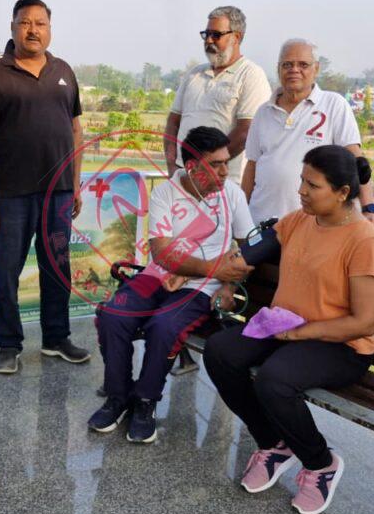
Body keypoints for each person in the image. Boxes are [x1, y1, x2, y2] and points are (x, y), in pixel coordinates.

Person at [203, 145, 374, 514]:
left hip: (342, 345)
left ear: (343, 192)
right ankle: (274, 444)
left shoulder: (364, 242)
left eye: (312, 185)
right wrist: (231, 271)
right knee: (221, 351)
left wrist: (298, 334)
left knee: (274, 380)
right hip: (286, 328)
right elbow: (255, 249)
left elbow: (365, 322)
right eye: (302, 181)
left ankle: (320, 464)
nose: (301, 191)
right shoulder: (300, 220)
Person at [90, 126, 253, 444]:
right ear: (191, 167)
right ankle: (118, 397)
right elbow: (162, 254)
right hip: (158, 275)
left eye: (226, 162)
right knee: (112, 316)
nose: (224, 171)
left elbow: (248, 247)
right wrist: (211, 267)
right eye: (215, 164)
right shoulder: (166, 192)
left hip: (203, 288)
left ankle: (145, 400)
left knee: (163, 326)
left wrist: (228, 286)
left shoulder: (232, 194)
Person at [0, 0, 91, 374]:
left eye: (40, 23)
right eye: (25, 23)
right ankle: (9, 345)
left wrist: (75, 184)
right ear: (13, 27)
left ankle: (56, 338)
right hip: (11, 196)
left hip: (58, 194)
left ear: (49, 29)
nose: (33, 30)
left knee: (57, 267)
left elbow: (75, 129)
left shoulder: (64, 71)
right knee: (8, 271)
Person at [242, 38, 374, 228]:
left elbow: (356, 161)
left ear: (316, 69)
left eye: (303, 64)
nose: (294, 70)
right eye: (287, 64)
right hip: (261, 223)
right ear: (278, 69)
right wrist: (241, 213)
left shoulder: (334, 105)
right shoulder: (263, 111)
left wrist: (369, 207)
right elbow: (252, 166)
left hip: (313, 227)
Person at [164, 6, 271, 182]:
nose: (209, 40)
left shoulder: (251, 75)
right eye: (206, 34)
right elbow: (173, 122)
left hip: (225, 183)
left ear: (237, 37)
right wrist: (172, 166)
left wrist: (207, 167)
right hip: (184, 179)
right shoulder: (194, 74)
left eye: (216, 35)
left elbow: (246, 131)